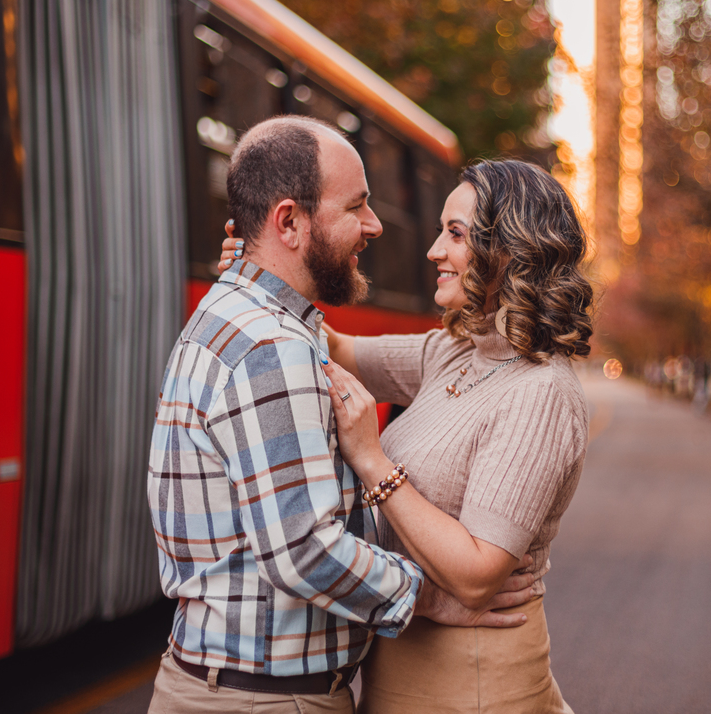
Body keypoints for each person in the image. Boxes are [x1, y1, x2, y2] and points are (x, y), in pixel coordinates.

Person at [148, 116, 533, 714]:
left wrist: (255, 264)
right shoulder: (269, 346)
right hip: (265, 702)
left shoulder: (238, 311)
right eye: (358, 206)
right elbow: (304, 548)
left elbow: (341, 345)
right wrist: (428, 595)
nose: (376, 226)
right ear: (291, 222)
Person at [218, 158, 596, 712]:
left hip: (471, 682)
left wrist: (373, 461)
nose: (434, 251)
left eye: (456, 234)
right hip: (403, 667)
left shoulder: (541, 392)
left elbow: (474, 576)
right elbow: (336, 348)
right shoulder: (459, 352)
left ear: (511, 253)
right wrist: (264, 273)